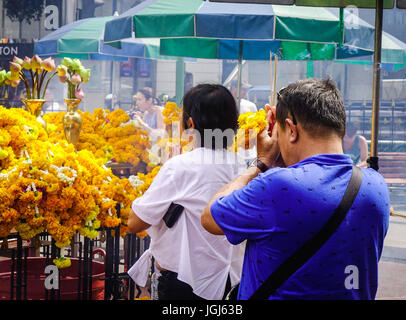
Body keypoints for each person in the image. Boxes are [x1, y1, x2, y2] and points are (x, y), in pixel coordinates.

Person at [201, 78, 390, 300]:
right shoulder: (376, 185)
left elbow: (210, 217)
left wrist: (262, 162)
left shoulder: (277, 186)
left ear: (291, 129)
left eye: (279, 133)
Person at [127, 84, 246, 300]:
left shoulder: (181, 166)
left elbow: (136, 222)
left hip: (186, 283)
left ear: (190, 124)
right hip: (232, 282)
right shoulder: (244, 167)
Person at [230, 80, 258, 165]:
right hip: (231, 152)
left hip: (249, 153)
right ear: (234, 89)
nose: (245, 92)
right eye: (243, 89)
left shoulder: (250, 106)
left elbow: (257, 128)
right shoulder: (224, 105)